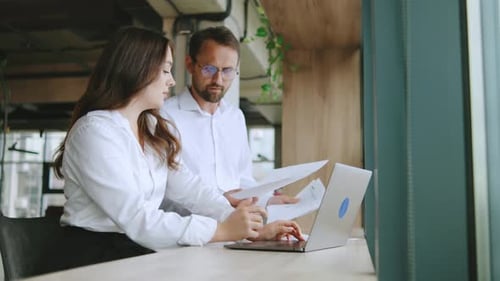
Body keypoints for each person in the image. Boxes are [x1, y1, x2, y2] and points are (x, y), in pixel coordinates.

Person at [53, 26, 303, 254]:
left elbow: (189, 188)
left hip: (136, 248)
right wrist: (222, 230)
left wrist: (245, 226)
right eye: (164, 70)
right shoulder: (95, 131)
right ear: (136, 69)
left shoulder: (150, 127)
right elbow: (137, 218)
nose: (171, 81)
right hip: (96, 255)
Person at [160, 26, 297, 213]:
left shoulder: (235, 118)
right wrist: (220, 202)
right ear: (190, 65)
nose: (218, 80)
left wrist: (267, 200)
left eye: (227, 71)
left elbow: (242, 179)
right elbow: (168, 187)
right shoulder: (165, 115)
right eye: (209, 69)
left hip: (235, 228)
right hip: (188, 232)